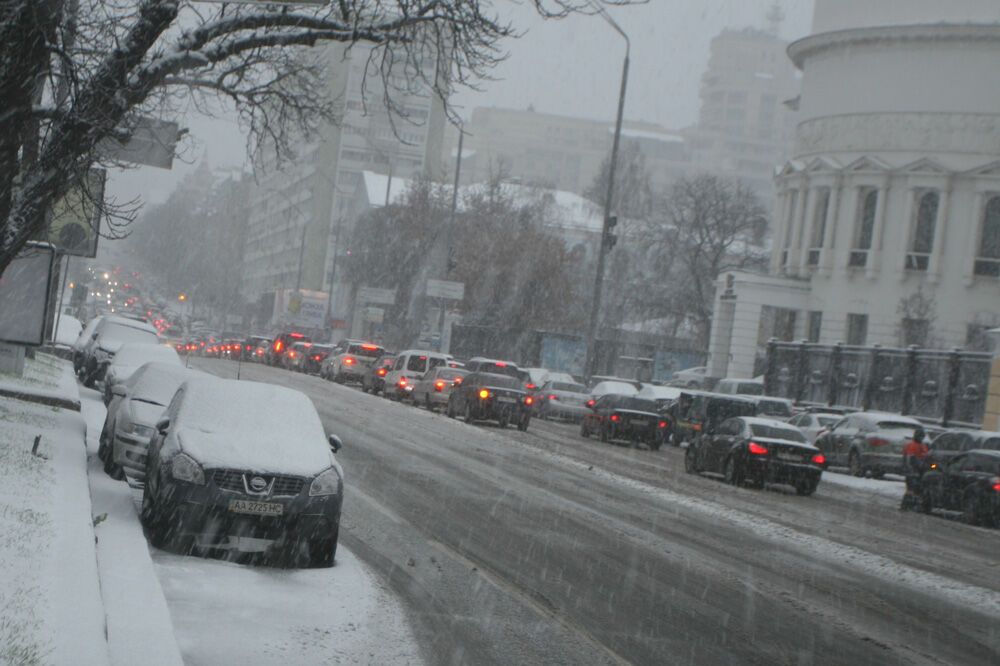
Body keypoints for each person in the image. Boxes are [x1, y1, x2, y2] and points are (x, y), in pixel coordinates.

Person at [900, 427, 929, 510]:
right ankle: (906, 505)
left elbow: (926, 458)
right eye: (920, 436)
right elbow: (911, 459)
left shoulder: (923, 446)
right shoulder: (912, 445)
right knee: (911, 489)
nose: (921, 438)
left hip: (919, 470)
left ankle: (911, 504)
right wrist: (917, 467)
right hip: (912, 471)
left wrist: (931, 465)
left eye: (922, 436)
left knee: (915, 489)